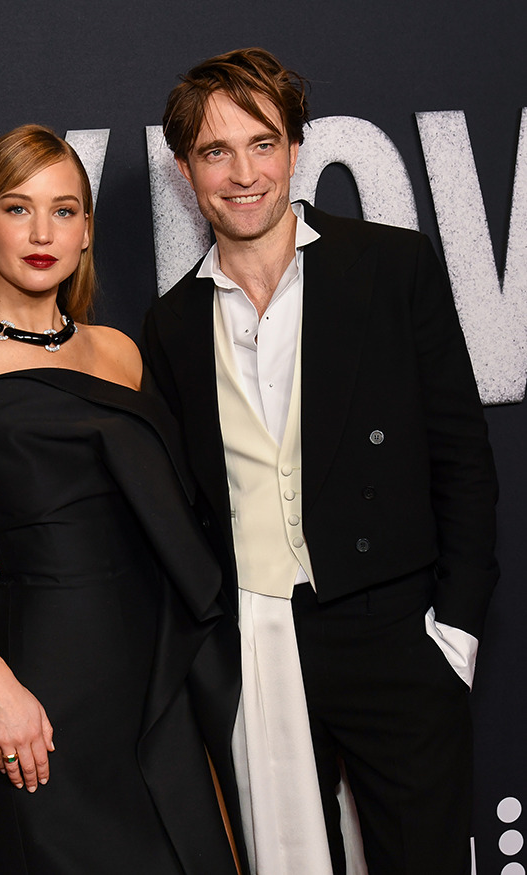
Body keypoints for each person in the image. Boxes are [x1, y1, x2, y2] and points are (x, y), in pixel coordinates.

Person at [139, 48, 499, 875]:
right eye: (215, 152)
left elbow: (462, 458)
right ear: (186, 168)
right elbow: (174, 504)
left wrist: (456, 634)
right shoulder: (172, 325)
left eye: (262, 143)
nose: (243, 174)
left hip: (395, 638)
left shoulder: (390, 266)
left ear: (296, 149)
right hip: (259, 645)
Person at [0, 124, 244, 875]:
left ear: (87, 230)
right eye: (17, 209)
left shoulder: (120, 353)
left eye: (65, 210)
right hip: (40, 683)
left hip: (158, 669)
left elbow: (162, 509)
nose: (42, 233)